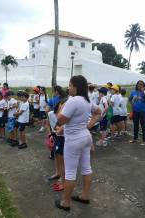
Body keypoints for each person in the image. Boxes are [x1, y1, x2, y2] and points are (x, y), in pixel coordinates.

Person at [55, 75, 101, 211]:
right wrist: (88, 125)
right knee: (86, 168)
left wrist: (61, 109)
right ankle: (85, 196)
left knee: (70, 172)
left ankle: (66, 202)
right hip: (85, 137)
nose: (68, 88)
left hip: (74, 140)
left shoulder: (73, 101)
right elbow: (98, 112)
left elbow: (61, 119)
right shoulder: (86, 100)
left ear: (76, 86)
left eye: (70, 85)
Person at [48, 100, 66, 192]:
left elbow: (60, 129)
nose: (63, 108)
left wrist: (57, 129)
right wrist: (50, 134)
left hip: (64, 138)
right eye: (61, 106)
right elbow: (49, 125)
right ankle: (57, 173)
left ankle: (62, 178)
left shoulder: (65, 116)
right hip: (56, 136)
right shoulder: (51, 113)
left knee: (62, 158)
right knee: (56, 155)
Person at [129, 80, 145, 145]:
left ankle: (144, 140)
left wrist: (143, 91)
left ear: (143, 86)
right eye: (138, 84)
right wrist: (132, 104)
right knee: (135, 125)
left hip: (143, 111)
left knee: (143, 125)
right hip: (135, 111)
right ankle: (135, 139)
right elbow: (130, 99)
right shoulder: (133, 92)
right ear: (137, 85)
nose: (140, 85)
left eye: (141, 84)